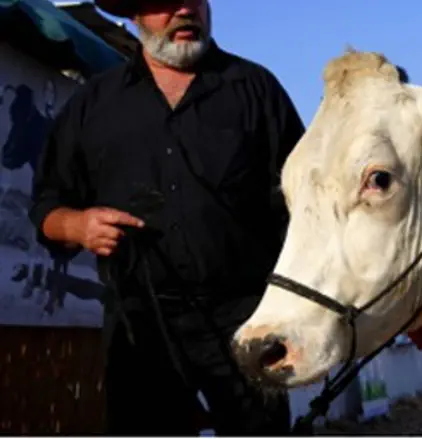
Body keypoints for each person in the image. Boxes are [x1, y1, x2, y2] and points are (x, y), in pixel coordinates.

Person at [27, 0, 305, 435]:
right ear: (135, 13)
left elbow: (307, 204)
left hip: (245, 318)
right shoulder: (93, 104)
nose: (184, 9)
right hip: (140, 326)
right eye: (164, 1)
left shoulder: (256, 89)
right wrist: (78, 226)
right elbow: (46, 209)